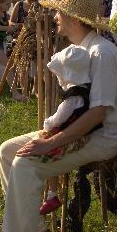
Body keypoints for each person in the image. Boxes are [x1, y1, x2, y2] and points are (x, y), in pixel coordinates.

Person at [0, 0, 117, 232]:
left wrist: (48, 144)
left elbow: (97, 114)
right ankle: (37, 231)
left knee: (25, 164)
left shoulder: (101, 52)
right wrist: (49, 140)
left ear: (74, 19)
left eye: (59, 12)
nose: (55, 17)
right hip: (81, 131)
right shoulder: (87, 49)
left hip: (101, 139)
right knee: (7, 151)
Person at [38, 45, 95, 215]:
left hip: (70, 136)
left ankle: (52, 194)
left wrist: (47, 124)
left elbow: (59, 118)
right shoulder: (87, 90)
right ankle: (53, 193)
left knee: (47, 157)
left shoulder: (73, 98)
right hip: (82, 134)